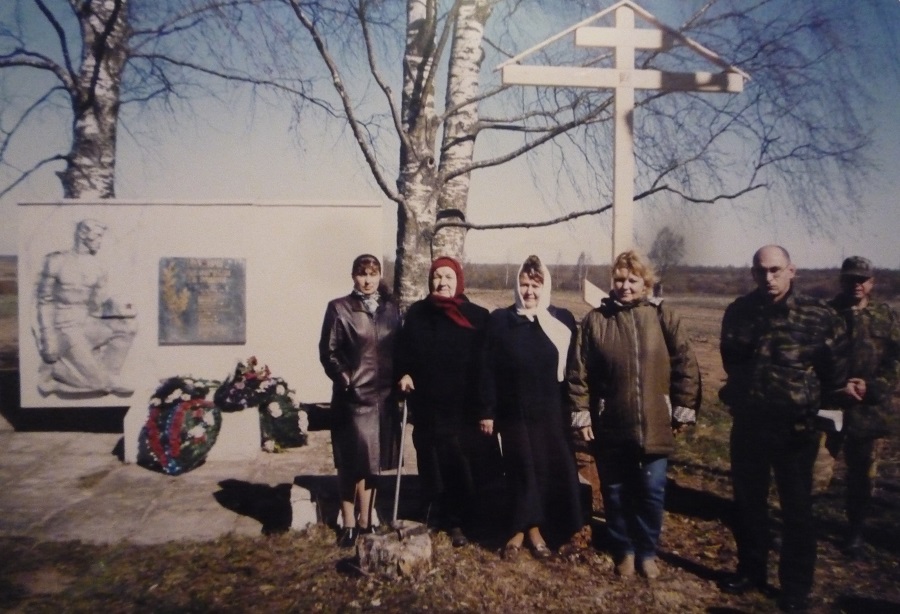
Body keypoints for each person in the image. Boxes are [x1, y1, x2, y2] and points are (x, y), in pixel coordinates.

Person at [718, 245, 849, 612]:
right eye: (761, 271)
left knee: (797, 510)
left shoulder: (818, 316)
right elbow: (732, 361)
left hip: (796, 430)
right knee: (748, 504)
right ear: (753, 273)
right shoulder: (740, 312)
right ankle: (751, 570)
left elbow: (835, 374)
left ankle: (794, 588)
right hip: (749, 425)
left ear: (792, 270)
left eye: (776, 270)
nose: (768, 278)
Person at [567, 250, 701, 579]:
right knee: (615, 492)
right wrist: (582, 414)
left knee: (652, 491)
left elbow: (685, 362)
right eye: (619, 280)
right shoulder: (596, 321)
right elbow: (578, 374)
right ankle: (624, 549)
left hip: (655, 423)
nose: (625, 286)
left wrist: (682, 407)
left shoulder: (662, 315)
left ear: (645, 283)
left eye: (632, 280)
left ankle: (647, 550)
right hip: (611, 423)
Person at [480, 254, 583, 560]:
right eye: (524, 284)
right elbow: (487, 369)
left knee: (550, 469)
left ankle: (550, 530)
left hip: (551, 412)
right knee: (520, 469)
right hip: (514, 412)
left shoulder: (562, 321)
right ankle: (520, 530)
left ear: (545, 286)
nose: (529, 292)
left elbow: (575, 370)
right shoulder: (501, 321)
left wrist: (578, 411)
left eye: (535, 285)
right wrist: (487, 410)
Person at [396, 256, 491, 547]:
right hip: (427, 405)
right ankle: (433, 513)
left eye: (449, 277)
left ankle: (458, 521)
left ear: (459, 281)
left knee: (458, 463)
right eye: (437, 277)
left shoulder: (476, 316)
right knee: (429, 459)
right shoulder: (417, 313)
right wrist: (404, 373)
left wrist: (486, 408)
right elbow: (403, 351)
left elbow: (485, 367)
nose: (442, 283)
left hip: (462, 408)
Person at [319, 254, 401, 548]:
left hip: (384, 398)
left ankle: (366, 521)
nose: (367, 280)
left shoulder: (391, 309)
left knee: (373, 463)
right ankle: (348, 523)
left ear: (380, 275)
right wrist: (347, 381)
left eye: (373, 273)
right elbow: (328, 352)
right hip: (352, 400)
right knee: (350, 464)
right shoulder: (339, 308)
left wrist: (402, 378)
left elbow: (400, 348)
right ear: (353, 276)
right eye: (362, 274)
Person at [821, 256, 900, 556]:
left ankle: (855, 531)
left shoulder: (885, 316)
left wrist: (873, 387)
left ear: (872, 282)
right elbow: (812, 359)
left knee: (862, 474)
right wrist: (834, 387)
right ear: (841, 280)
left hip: (868, 410)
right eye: (851, 278)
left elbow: (895, 360)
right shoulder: (825, 314)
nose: (857, 284)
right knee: (815, 470)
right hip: (829, 405)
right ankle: (803, 525)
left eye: (862, 279)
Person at [35, 218, 137, 396]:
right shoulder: (56, 261)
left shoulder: (98, 266)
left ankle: (111, 375)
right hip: (64, 327)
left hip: (87, 323)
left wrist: (120, 309)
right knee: (98, 385)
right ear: (83, 234)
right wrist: (47, 337)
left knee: (127, 327)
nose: (100, 241)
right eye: (97, 236)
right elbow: (44, 301)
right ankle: (55, 374)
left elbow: (97, 305)